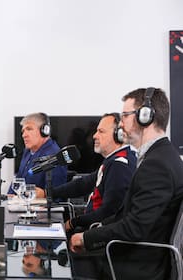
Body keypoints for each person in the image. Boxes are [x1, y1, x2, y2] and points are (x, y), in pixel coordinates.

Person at [70, 88, 183, 279]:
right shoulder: (161, 156)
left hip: (138, 265)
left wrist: (86, 238)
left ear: (145, 116)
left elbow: (134, 227)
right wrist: (95, 232)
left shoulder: (157, 164)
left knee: (66, 263)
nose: (121, 124)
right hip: (140, 257)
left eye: (125, 116)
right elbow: (130, 216)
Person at [43, 113, 136, 233]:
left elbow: (109, 213)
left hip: (96, 235)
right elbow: (84, 183)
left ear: (119, 135)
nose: (94, 136)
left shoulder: (120, 165)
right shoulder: (112, 161)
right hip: (91, 229)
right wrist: (49, 193)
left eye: (101, 131)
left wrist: (73, 223)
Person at [8, 112, 67, 198]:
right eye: (23, 131)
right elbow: (18, 180)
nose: (24, 135)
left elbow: (56, 196)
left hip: (41, 209)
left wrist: (43, 194)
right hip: (23, 205)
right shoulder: (27, 152)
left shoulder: (55, 155)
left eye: (29, 129)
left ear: (44, 131)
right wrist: (8, 198)